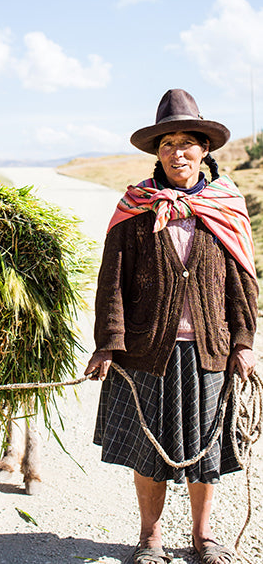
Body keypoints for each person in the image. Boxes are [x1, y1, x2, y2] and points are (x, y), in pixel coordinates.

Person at [85, 89, 258, 564]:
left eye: (187, 143)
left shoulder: (224, 206)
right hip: (147, 351)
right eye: (167, 144)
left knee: (206, 453)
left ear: (204, 150)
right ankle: (150, 538)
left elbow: (242, 281)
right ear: (156, 152)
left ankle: (204, 538)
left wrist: (243, 342)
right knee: (149, 453)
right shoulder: (136, 207)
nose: (177, 153)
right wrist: (108, 344)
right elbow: (112, 281)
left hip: (210, 350)